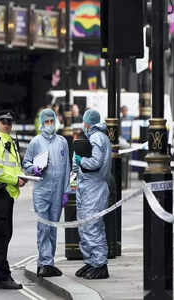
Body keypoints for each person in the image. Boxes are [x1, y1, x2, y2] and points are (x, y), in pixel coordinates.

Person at [22, 108, 70, 277]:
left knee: (53, 226)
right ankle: (44, 262)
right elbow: (25, 164)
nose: (50, 124)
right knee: (44, 227)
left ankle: (49, 262)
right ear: (42, 123)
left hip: (58, 191)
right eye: (47, 122)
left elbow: (67, 168)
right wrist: (34, 169)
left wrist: (66, 191)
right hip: (42, 190)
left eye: (52, 121)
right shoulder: (35, 142)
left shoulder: (62, 142)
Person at [0, 110, 26, 289]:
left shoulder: (10, 141)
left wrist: (21, 178)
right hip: (0, 192)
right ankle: (2, 276)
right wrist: (14, 180)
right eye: (3, 122)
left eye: (9, 122)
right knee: (1, 235)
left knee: (6, 234)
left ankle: (1, 276)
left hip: (8, 193)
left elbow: (13, 167)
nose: (7, 125)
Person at [73, 109, 111, 280]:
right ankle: (91, 260)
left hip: (94, 188)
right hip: (89, 187)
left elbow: (95, 162)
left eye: (84, 122)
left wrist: (81, 161)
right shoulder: (96, 137)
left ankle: (100, 264)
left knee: (92, 227)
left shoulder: (96, 138)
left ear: (88, 123)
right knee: (86, 226)